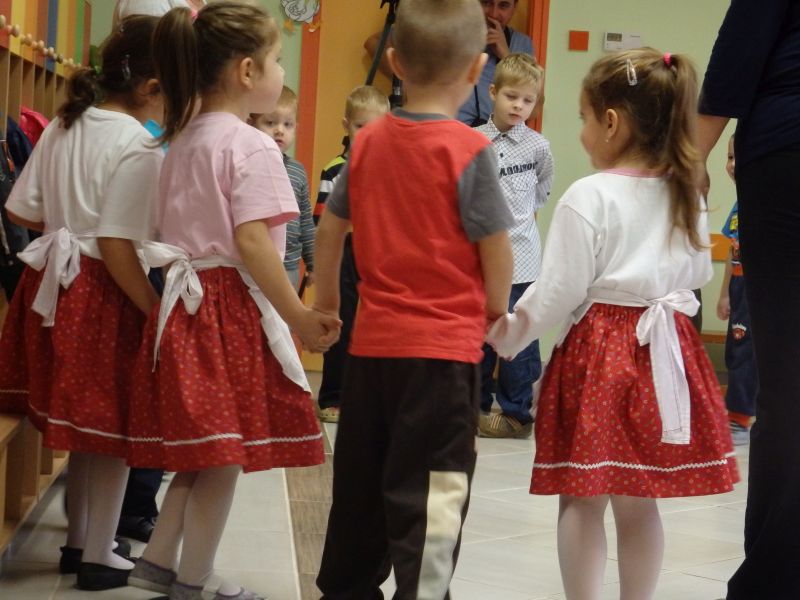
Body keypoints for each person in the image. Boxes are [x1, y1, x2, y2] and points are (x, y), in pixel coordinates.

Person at [486, 48, 739, 600]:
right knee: (639, 497)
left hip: (601, 354)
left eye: (582, 118)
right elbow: (697, 272)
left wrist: (508, 332)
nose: (580, 132)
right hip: (666, 348)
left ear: (610, 122)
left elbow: (558, 290)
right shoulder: (687, 190)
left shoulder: (590, 195)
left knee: (583, 495)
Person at [122, 3, 337, 599]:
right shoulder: (251, 145)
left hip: (183, 306)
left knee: (204, 451)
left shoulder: (180, 138)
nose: (280, 71)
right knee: (223, 458)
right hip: (225, 310)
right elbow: (253, 242)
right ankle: (195, 577)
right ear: (246, 71)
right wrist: (298, 315)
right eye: (276, 59)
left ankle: (157, 563)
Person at [314, 0, 515, 596]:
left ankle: (346, 586)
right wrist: (495, 309)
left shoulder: (368, 142)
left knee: (360, 484)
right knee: (435, 492)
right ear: (477, 69)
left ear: (395, 62)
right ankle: (424, 590)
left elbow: (331, 228)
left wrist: (328, 306)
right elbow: (495, 246)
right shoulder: (470, 150)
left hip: (371, 352)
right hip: (443, 361)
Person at [0, 16, 164, 590]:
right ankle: (99, 552)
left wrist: (68, 218)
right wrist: (154, 307)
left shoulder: (64, 124)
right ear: (151, 88)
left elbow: (19, 210)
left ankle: (78, 543)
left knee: (86, 424)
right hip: (104, 292)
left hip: (52, 283)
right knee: (114, 428)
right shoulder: (139, 143)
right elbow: (120, 245)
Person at [698, 3, 800, 598]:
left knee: (788, 385)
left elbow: (739, 53)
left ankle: (775, 580)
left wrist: (690, 160)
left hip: (788, 156)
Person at [475, 53, 553, 439]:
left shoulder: (539, 147)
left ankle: (517, 413)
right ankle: (472, 406)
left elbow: (542, 192)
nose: (519, 106)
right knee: (478, 335)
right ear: (493, 92)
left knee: (518, 337)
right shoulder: (472, 140)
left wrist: (516, 221)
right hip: (478, 259)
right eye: (511, 96)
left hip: (522, 258)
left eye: (528, 100)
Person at [312, 85, 389, 423]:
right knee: (341, 322)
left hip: (379, 253)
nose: (368, 135)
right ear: (346, 125)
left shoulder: (391, 166)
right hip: (344, 252)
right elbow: (322, 222)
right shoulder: (334, 169)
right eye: (361, 126)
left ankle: (372, 397)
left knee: (377, 325)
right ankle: (333, 396)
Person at [249, 85, 314, 291]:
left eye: (288, 124)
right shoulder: (246, 166)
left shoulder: (297, 171)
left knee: (285, 312)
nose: (280, 130)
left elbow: (306, 221)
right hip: (253, 266)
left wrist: (314, 263)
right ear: (251, 124)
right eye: (270, 123)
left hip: (288, 267)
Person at [715, 136, 758, 447]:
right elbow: (733, 251)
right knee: (736, 349)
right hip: (739, 286)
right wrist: (725, 294)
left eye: (738, 156)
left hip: (761, 288)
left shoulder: (765, 201)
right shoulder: (739, 204)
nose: (732, 165)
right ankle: (738, 414)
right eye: (729, 157)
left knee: (747, 352)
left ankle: (740, 418)